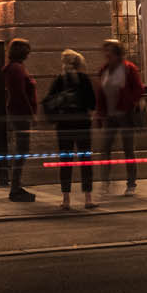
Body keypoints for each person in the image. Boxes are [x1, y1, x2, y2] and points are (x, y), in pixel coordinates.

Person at [43, 49, 98, 209]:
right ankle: (88, 198)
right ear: (79, 63)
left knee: (65, 161)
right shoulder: (84, 79)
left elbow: (49, 101)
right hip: (82, 124)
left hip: (64, 125)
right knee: (85, 161)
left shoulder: (59, 80)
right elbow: (92, 103)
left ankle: (66, 199)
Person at [94, 39, 144, 194]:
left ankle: (131, 184)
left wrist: (129, 103)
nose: (106, 54)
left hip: (125, 115)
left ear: (117, 53)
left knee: (128, 149)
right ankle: (105, 182)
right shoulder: (104, 70)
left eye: (109, 50)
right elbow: (100, 94)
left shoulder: (129, 69)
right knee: (105, 148)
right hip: (110, 116)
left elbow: (139, 89)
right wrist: (99, 114)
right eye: (105, 51)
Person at [2, 38, 38, 202]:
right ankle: (15, 188)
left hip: (19, 113)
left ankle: (16, 186)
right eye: (27, 51)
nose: (29, 54)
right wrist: (31, 114)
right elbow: (20, 94)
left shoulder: (16, 68)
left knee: (22, 150)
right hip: (20, 114)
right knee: (22, 150)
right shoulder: (16, 69)